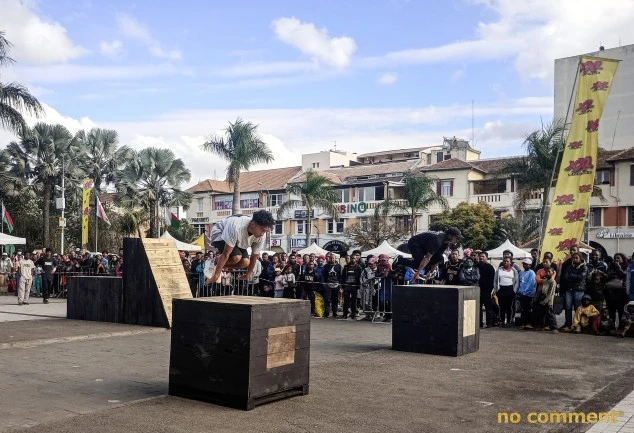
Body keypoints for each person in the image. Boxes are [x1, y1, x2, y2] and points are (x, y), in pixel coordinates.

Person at [207, 210, 275, 284]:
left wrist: (248, 274)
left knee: (245, 262)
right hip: (219, 232)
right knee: (236, 257)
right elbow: (226, 254)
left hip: (237, 241)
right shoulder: (236, 227)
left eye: (265, 231)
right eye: (261, 230)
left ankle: (215, 265)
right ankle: (212, 263)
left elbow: (254, 257)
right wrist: (216, 275)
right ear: (253, 224)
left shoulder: (261, 236)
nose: (262, 234)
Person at [559, 252, 587, 331]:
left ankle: (577, 324)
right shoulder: (569, 267)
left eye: (576, 258)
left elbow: (581, 277)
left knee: (578, 308)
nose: (574, 259)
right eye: (573, 258)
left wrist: (571, 276)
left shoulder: (584, 267)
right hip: (569, 289)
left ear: (580, 258)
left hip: (579, 289)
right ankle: (568, 324)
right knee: (568, 307)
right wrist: (574, 277)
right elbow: (565, 277)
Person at [604, 253, 628, 328]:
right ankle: (612, 326)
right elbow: (607, 275)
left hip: (621, 292)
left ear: (623, 260)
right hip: (610, 292)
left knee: (621, 310)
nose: (616, 260)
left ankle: (621, 326)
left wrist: (618, 267)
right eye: (615, 258)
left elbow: (623, 275)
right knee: (611, 310)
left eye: (618, 258)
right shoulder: (610, 267)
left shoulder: (626, 267)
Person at [494, 257, 519, 327]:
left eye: (507, 261)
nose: (505, 262)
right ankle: (502, 321)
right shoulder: (499, 270)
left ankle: (508, 321)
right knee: (501, 307)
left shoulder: (514, 270)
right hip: (501, 289)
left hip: (510, 289)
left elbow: (517, 281)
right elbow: (495, 280)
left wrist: (514, 290)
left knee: (509, 307)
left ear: (510, 262)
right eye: (504, 261)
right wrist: (496, 290)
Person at [533, 267, 558, 333]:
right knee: (541, 314)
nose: (547, 273)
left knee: (550, 314)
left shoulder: (552, 281)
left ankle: (554, 328)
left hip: (548, 300)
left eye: (549, 272)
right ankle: (541, 326)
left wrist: (545, 301)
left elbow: (550, 293)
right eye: (546, 272)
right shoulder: (545, 280)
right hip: (543, 299)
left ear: (553, 273)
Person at [477, 252, 497, 328]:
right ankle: (479, 323)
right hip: (477, 290)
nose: (481, 258)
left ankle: (489, 323)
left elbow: (492, 280)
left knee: (488, 307)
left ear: (487, 257)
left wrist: (489, 290)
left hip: (487, 290)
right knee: (478, 308)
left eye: (483, 256)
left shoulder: (490, 267)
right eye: (480, 256)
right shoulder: (476, 266)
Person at [341, 254, 362, 319]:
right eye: (352, 258)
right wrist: (343, 285)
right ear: (350, 258)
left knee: (354, 301)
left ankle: (353, 315)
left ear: (356, 259)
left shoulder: (358, 267)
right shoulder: (346, 267)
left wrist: (358, 286)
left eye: (354, 258)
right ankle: (345, 314)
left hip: (354, 285)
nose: (353, 259)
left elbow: (359, 277)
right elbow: (343, 276)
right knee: (346, 301)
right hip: (347, 285)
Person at [517, 258, 536, 329]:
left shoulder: (531, 273)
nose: (524, 265)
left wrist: (525, 291)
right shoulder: (521, 273)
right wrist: (519, 291)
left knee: (527, 309)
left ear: (530, 265)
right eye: (524, 264)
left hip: (528, 294)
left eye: (526, 264)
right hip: (521, 293)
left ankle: (528, 323)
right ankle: (523, 322)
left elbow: (531, 284)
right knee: (523, 309)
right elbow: (519, 282)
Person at [323, 253, 343, 318]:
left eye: (333, 258)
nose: (332, 259)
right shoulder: (326, 266)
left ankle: (335, 312)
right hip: (328, 284)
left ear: (335, 258)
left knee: (335, 299)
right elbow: (323, 275)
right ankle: (327, 312)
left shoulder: (339, 266)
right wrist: (324, 284)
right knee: (327, 299)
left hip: (336, 285)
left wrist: (340, 285)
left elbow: (341, 276)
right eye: (331, 258)